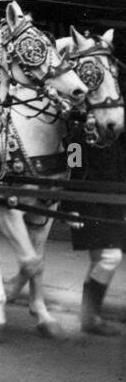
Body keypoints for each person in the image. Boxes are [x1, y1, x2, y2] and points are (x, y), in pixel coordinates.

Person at [72, 119, 125, 336]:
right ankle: (90, 316)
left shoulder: (119, 132)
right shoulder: (79, 133)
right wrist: (70, 206)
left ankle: (88, 315)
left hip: (115, 202)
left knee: (99, 261)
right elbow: (73, 166)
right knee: (110, 258)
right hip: (88, 203)